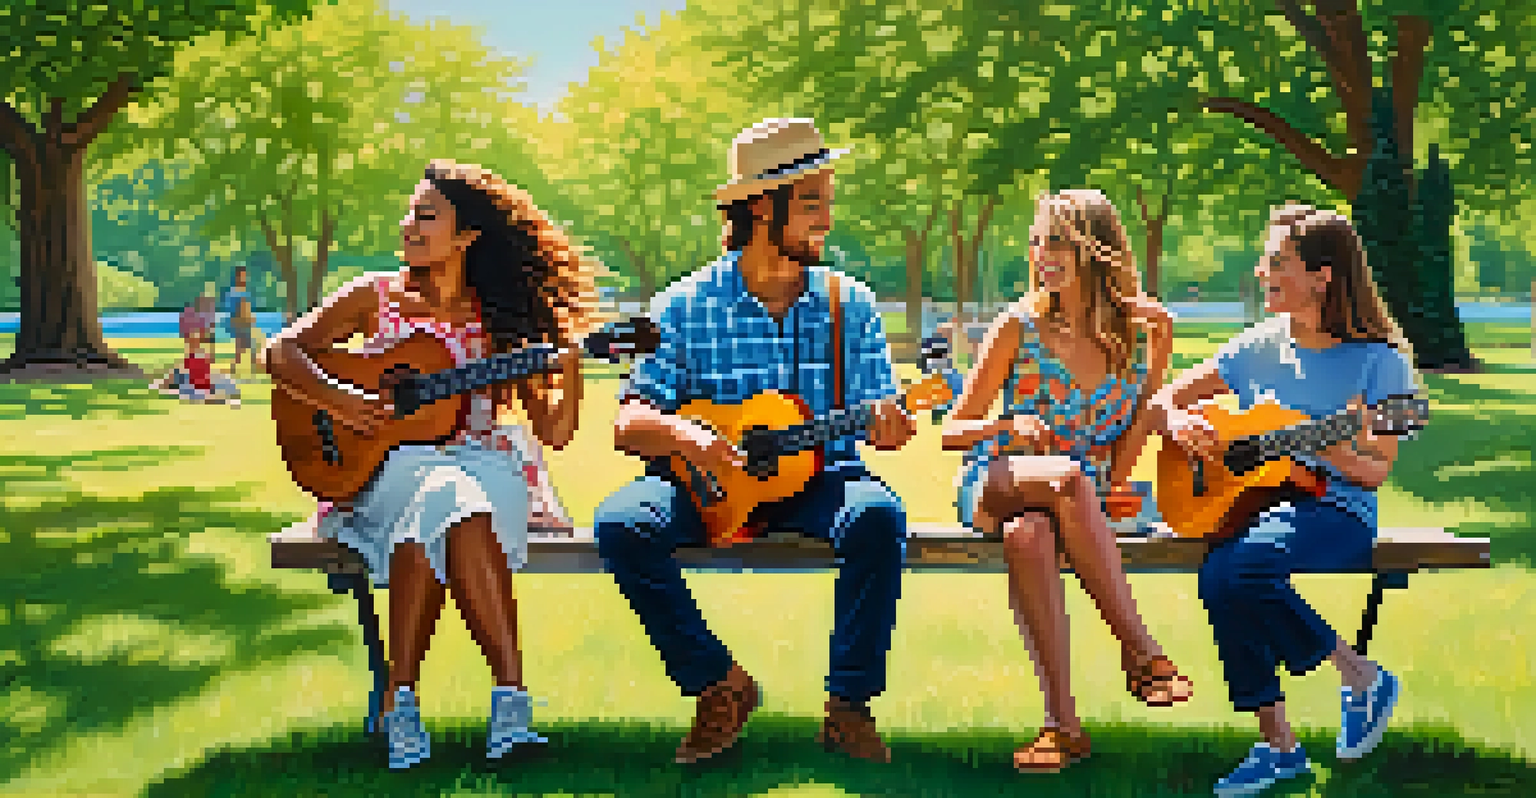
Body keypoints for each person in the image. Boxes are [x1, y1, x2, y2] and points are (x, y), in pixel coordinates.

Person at [593, 118, 916, 765]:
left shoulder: (847, 303)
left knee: (878, 516)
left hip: (824, 477)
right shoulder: (682, 305)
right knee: (623, 522)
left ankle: (848, 706)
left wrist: (892, 424)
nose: (827, 217)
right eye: (812, 203)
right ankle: (720, 686)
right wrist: (688, 436)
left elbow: (887, 413)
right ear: (761, 208)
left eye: (828, 199)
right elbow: (630, 420)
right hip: (708, 482)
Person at [263, 159, 599, 770]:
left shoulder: (499, 318)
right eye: (411, 213)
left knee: (457, 498)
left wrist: (570, 369)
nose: (409, 225)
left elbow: (555, 430)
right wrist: (348, 403)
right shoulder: (375, 296)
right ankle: (507, 704)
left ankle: (406, 703)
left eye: (426, 216)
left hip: (484, 460)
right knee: (443, 494)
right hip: (388, 463)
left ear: (467, 236)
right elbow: (280, 352)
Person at [1148, 205, 1420, 797]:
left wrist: (1332, 447)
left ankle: (1357, 677)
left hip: (1336, 510)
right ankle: (1280, 745)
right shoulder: (1256, 348)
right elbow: (1165, 398)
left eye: (1277, 262)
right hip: (1257, 508)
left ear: (1323, 276)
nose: (1263, 270)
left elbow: (1374, 473)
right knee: (1220, 577)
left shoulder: (1380, 363)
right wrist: (1177, 423)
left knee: (1243, 568)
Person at [940, 189, 1193, 772]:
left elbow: (1125, 456)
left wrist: (1162, 352)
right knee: (1061, 480)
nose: (1041, 253)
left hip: (1078, 498)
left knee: (1030, 536)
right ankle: (1142, 651)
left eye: (1056, 241)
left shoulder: (1128, 337)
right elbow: (953, 433)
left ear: (1094, 250)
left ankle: (1061, 725)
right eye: (1036, 241)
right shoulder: (1016, 326)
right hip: (997, 481)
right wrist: (1007, 422)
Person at [224, 265, 256, 374]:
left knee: (249, 345)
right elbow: (234, 308)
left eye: (245, 276)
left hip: (245, 322)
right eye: (242, 276)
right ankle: (234, 367)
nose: (244, 278)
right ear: (237, 277)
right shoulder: (234, 292)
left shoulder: (245, 291)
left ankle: (251, 366)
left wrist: (250, 317)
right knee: (241, 347)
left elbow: (247, 307)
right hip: (239, 322)